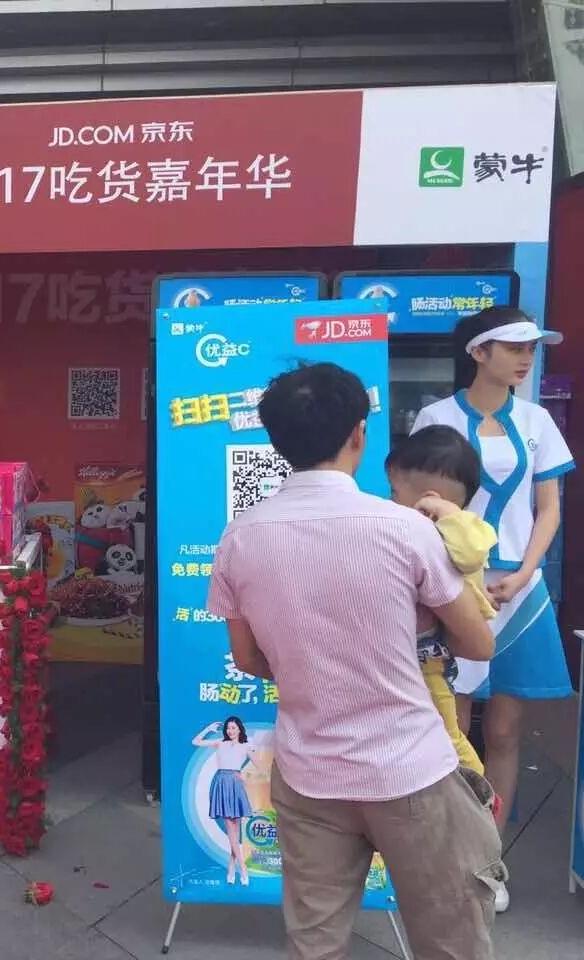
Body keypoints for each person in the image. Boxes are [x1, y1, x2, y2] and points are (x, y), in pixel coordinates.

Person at [208, 362, 503, 960]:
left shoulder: (239, 538)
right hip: (411, 770)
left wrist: (314, 665)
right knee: (450, 941)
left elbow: (247, 657)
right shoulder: (406, 530)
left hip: (309, 773)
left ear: (278, 441)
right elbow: (478, 644)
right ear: (359, 434)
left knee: (314, 943)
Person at [410, 307, 573, 912]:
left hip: (521, 590)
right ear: (478, 353)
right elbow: (421, 502)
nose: (526, 358)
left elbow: (549, 507)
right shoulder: (437, 417)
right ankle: (449, 854)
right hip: (454, 585)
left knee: (504, 731)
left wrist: (526, 571)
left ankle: (489, 860)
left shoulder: (536, 420)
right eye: (514, 347)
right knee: (452, 730)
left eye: (531, 348)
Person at [386, 425, 498, 777]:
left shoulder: (463, 528)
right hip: (423, 652)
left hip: (430, 658)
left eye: (394, 492)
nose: (390, 501)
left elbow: (470, 554)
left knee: (447, 732)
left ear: (430, 498)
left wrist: (444, 512)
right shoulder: (432, 529)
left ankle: (476, 787)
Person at [192, 716, 257, 886]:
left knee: (236, 831)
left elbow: (260, 767)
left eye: (233, 728)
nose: (230, 731)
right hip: (222, 783)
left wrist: (245, 777)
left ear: (240, 729)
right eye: (228, 728)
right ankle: (243, 869)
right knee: (231, 830)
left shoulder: (246, 746)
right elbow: (195, 742)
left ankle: (231, 868)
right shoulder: (220, 742)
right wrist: (208, 729)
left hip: (236, 785)